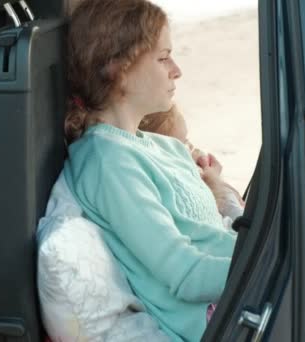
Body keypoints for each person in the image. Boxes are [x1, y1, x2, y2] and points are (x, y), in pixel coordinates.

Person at [63, 0, 237, 340]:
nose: (177, 70)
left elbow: (209, 233)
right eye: (163, 57)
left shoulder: (163, 146)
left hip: (241, 284)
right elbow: (185, 274)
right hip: (222, 319)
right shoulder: (107, 163)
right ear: (118, 68)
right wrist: (275, 261)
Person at [138, 105, 245, 222]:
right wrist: (214, 183)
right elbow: (239, 224)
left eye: (188, 140)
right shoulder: (184, 197)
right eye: (183, 143)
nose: (193, 148)